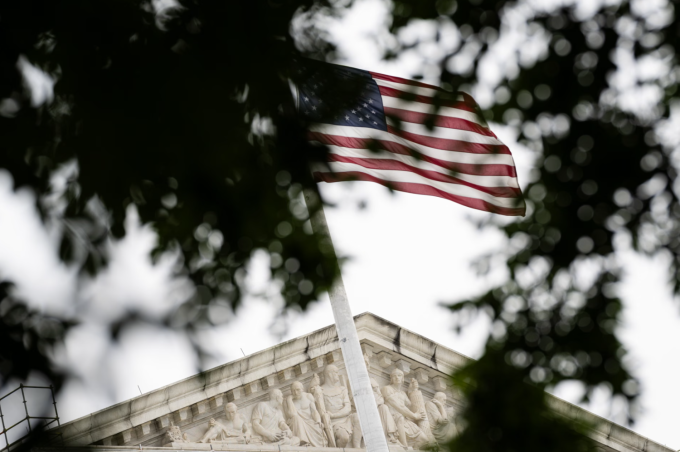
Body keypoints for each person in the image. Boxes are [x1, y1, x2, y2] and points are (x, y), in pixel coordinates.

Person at [381, 368, 430, 449]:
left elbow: (410, 407)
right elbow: (399, 406)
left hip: (405, 421)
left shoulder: (403, 393)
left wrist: (412, 390)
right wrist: (414, 416)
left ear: (403, 378)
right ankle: (404, 446)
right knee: (399, 416)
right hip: (393, 418)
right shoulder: (387, 389)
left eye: (399, 375)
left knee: (424, 440)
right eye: (394, 376)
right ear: (391, 378)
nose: (397, 377)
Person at [320, 365, 356, 447]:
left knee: (358, 418)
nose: (338, 374)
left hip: (346, 418)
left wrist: (333, 415)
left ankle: (357, 446)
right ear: (329, 374)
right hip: (334, 423)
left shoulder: (342, 389)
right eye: (336, 372)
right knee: (344, 437)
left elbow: (348, 408)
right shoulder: (320, 391)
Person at [285, 381, 326, 447]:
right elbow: (293, 414)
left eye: (298, 390)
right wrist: (289, 399)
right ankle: (303, 442)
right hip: (297, 424)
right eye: (293, 391)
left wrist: (318, 420)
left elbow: (314, 411)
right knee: (297, 418)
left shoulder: (308, 396)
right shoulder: (288, 401)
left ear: (302, 389)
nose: (295, 393)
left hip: (310, 422)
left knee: (318, 427)